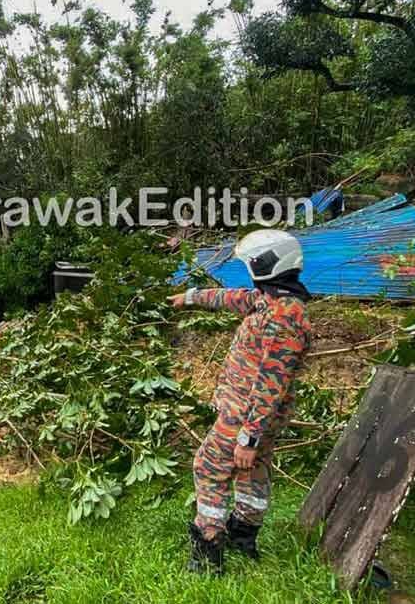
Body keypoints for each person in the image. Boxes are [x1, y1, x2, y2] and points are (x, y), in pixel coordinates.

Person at [167, 229, 312, 575]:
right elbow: (234, 298)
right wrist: (191, 297)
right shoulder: (273, 300)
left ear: (266, 265)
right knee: (252, 471)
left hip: (246, 415)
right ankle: (242, 537)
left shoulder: (285, 320)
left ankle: (208, 550)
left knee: (209, 467)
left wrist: (249, 437)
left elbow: (271, 385)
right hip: (255, 416)